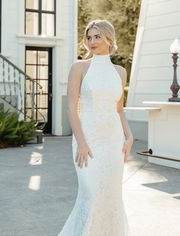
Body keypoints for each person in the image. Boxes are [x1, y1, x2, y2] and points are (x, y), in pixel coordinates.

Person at [58, 19, 134, 236]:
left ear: (109, 39)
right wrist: (81, 143)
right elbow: (72, 108)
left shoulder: (120, 72)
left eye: (97, 36)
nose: (92, 41)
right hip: (88, 140)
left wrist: (129, 137)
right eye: (89, 37)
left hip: (113, 142)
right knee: (91, 196)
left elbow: (119, 110)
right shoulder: (80, 67)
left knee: (111, 197)